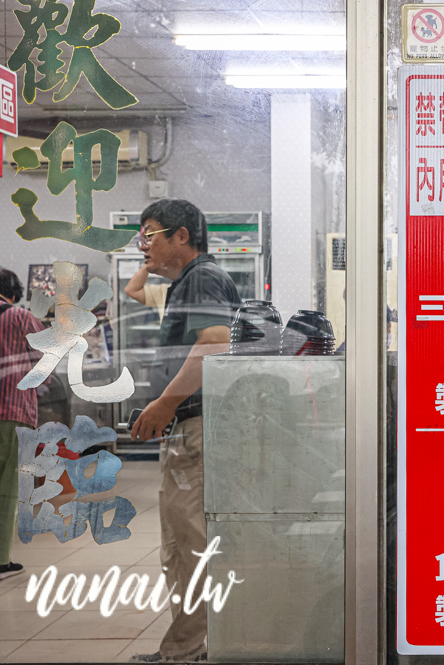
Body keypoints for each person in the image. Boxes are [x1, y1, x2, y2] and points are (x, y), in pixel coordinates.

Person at [129, 200, 240, 664]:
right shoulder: (184, 284)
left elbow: (214, 344)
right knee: (179, 544)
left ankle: (190, 649)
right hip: (186, 429)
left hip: (196, 426)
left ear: (181, 236)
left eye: (150, 233)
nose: (144, 244)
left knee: (193, 544)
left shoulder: (203, 277)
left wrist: (164, 402)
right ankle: (185, 646)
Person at [0, 268, 44, 580]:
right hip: (11, 410)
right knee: (6, 487)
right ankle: (1, 560)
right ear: (14, 293)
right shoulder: (19, 317)